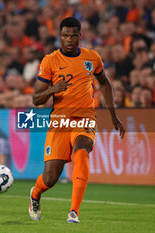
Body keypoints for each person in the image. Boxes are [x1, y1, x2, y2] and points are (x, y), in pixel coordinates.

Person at [29, 17, 125, 223]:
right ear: (60, 37)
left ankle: (74, 211)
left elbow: (105, 84)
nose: (70, 39)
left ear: (80, 36)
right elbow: (36, 99)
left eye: (73, 35)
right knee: (50, 179)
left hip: (85, 117)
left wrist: (113, 114)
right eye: (65, 36)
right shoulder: (50, 61)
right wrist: (53, 89)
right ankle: (35, 194)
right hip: (60, 122)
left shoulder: (92, 58)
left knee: (82, 151)